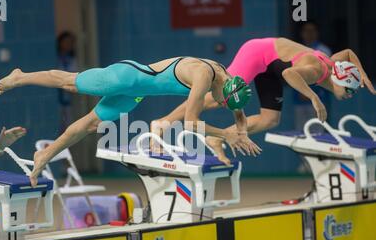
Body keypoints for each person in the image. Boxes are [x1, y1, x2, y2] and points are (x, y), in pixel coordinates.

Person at [0, 57, 261, 186]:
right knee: (71, 83)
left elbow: (237, 110)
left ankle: (45, 154)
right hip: (126, 77)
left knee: (91, 124)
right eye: (222, 102)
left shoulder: (228, 81)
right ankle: (20, 76)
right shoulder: (204, 76)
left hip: (137, 92)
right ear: (224, 91)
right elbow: (190, 123)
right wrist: (226, 135)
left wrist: (242, 130)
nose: (220, 105)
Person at [151, 37, 376, 159]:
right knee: (217, 99)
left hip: (272, 68)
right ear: (340, 80)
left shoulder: (336, 65)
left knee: (270, 120)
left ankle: (220, 138)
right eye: (350, 90)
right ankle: (162, 123)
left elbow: (347, 53)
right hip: (259, 54)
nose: (350, 95)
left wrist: (363, 75)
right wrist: (314, 98)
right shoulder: (317, 70)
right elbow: (289, 74)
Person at [295, 21, 333, 130]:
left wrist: (311, 93)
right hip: (300, 101)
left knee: (318, 134)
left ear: (317, 33)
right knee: (301, 134)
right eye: (306, 31)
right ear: (301, 33)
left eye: (312, 31)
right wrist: (301, 91)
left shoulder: (324, 51)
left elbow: (326, 75)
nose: (309, 33)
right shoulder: (296, 49)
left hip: (319, 99)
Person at [56, 31, 79, 133]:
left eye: (71, 42)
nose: (68, 44)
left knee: (68, 126)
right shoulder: (55, 57)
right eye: (66, 42)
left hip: (68, 97)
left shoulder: (72, 58)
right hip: (57, 96)